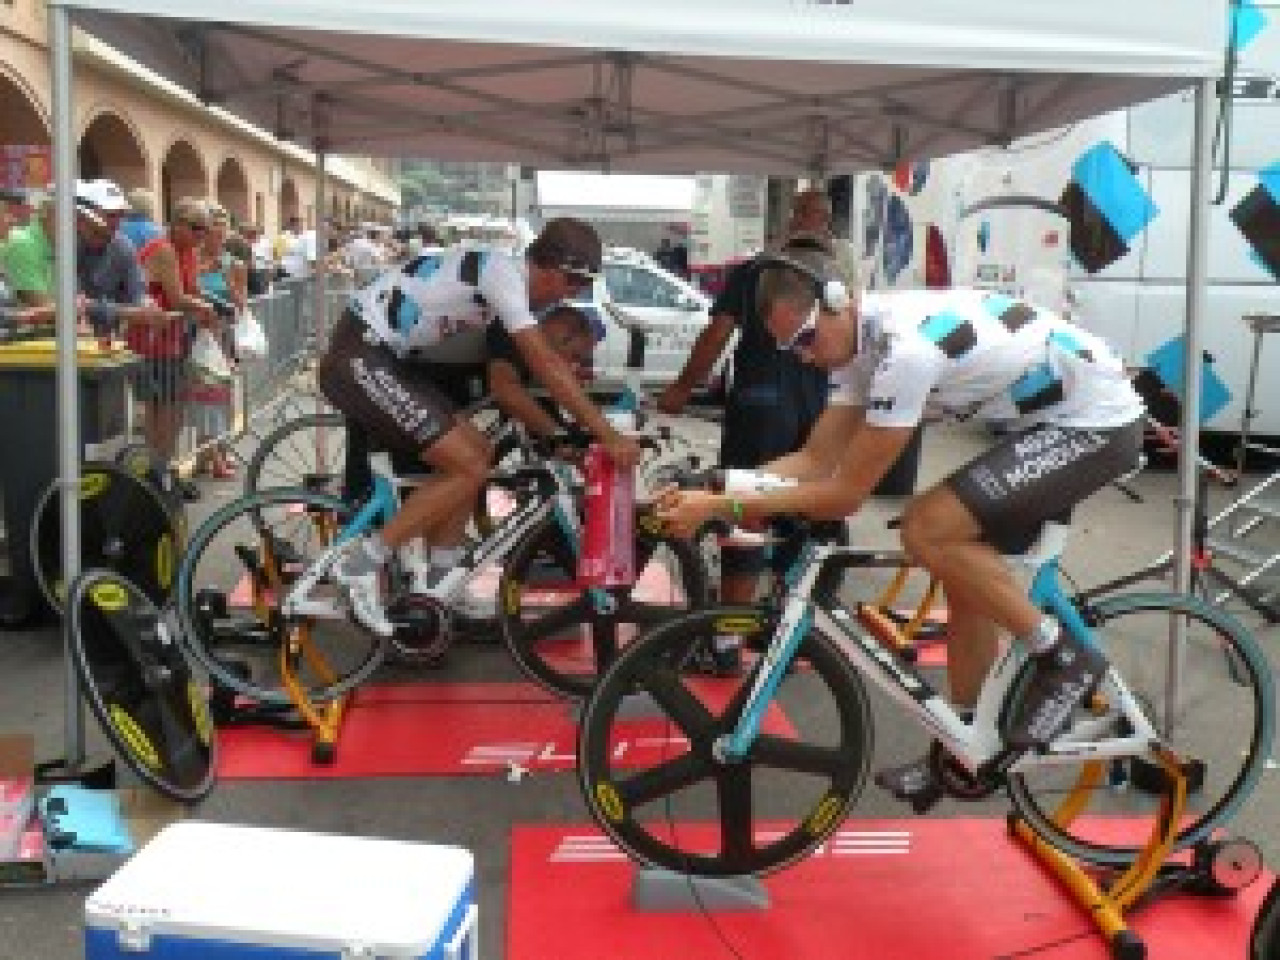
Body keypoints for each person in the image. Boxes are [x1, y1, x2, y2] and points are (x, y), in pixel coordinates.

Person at [656, 245, 1144, 804]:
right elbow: (814, 461)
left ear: (838, 303)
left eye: (808, 341)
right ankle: (966, 743)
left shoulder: (903, 351)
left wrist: (719, 512)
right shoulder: (856, 350)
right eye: (790, 350)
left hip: (1095, 422)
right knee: (961, 572)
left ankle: (1060, 655)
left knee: (927, 528)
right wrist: (721, 487)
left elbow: (842, 496)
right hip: (1040, 424)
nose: (803, 359)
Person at [317, 217, 641, 636]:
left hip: (387, 357)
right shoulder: (503, 276)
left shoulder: (504, 275)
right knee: (468, 465)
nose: (571, 296)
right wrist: (606, 434)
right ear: (550, 267)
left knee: (480, 456)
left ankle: (438, 583)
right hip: (360, 354)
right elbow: (545, 364)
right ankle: (360, 563)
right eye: (572, 284)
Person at [655, 189, 842, 675]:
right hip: (822, 409)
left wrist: (680, 389)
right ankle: (785, 631)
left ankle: (724, 642)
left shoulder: (758, 270)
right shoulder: (841, 276)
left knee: (746, 514)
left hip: (761, 405)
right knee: (801, 511)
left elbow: (716, 333)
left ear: (794, 220)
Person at [133, 196, 220, 498]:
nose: (202, 237)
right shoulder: (164, 250)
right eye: (197, 229)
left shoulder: (187, 253)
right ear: (177, 224)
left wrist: (211, 304)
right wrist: (208, 309)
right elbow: (176, 298)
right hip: (153, 339)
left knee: (173, 409)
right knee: (163, 410)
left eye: (205, 231)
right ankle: (156, 475)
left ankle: (161, 470)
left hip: (172, 339)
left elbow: (193, 291)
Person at [189, 203, 247, 480]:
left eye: (222, 234)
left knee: (223, 399)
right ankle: (211, 459)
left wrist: (229, 281)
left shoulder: (233, 264)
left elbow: (241, 305)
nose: (217, 239)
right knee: (205, 398)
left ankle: (217, 454)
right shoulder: (191, 260)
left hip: (223, 336)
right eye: (213, 233)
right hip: (199, 336)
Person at [486, 304, 600, 439]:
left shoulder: (533, 355)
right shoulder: (509, 334)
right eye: (575, 356)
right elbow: (506, 392)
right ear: (563, 338)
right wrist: (558, 436)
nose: (572, 364)